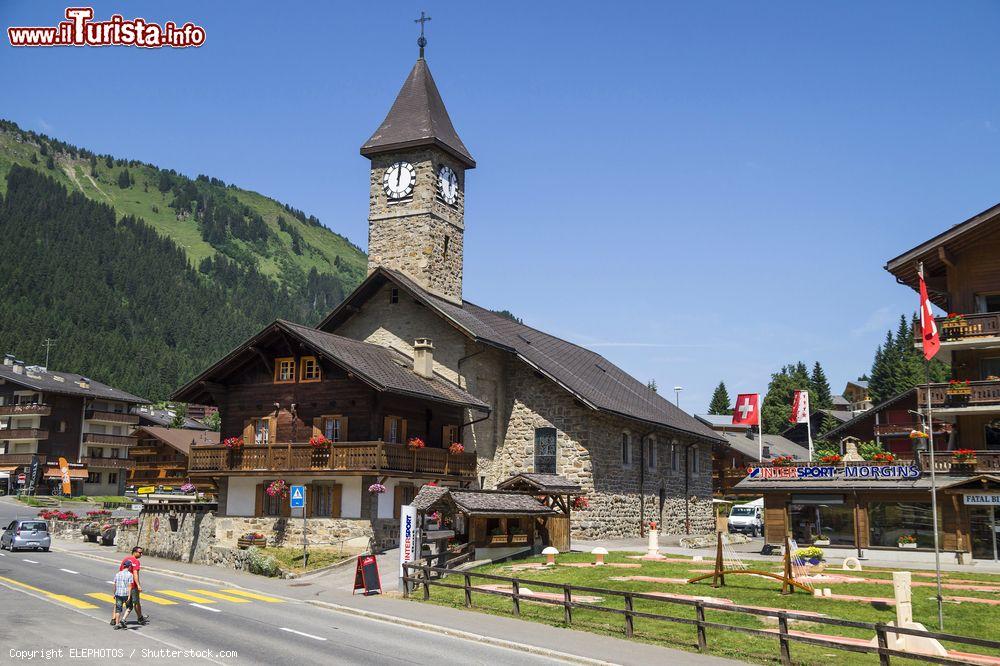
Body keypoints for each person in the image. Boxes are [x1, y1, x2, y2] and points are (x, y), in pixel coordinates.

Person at [120, 546, 149, 625]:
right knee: (136, 602)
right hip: (132, 585)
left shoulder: (125, 560)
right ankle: (139, 618)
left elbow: (121, 571)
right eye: (140, 552)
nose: (141, 554)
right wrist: (138, 585)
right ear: (134, 552)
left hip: (124, 585)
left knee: (121, 602)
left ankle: (114, 620)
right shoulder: (136, 561)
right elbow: (135, 574)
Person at [111, 560, 134, 629]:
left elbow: (114, 584)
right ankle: (123, 619)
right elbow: (130, 586)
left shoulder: (118, 574)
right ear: (129, 566)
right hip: (125, 594)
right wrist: (129, 595)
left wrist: (114, 593)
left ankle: (117, 624)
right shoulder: (130, 575)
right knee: (130, 607)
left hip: (118, 594)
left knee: (118, 609)